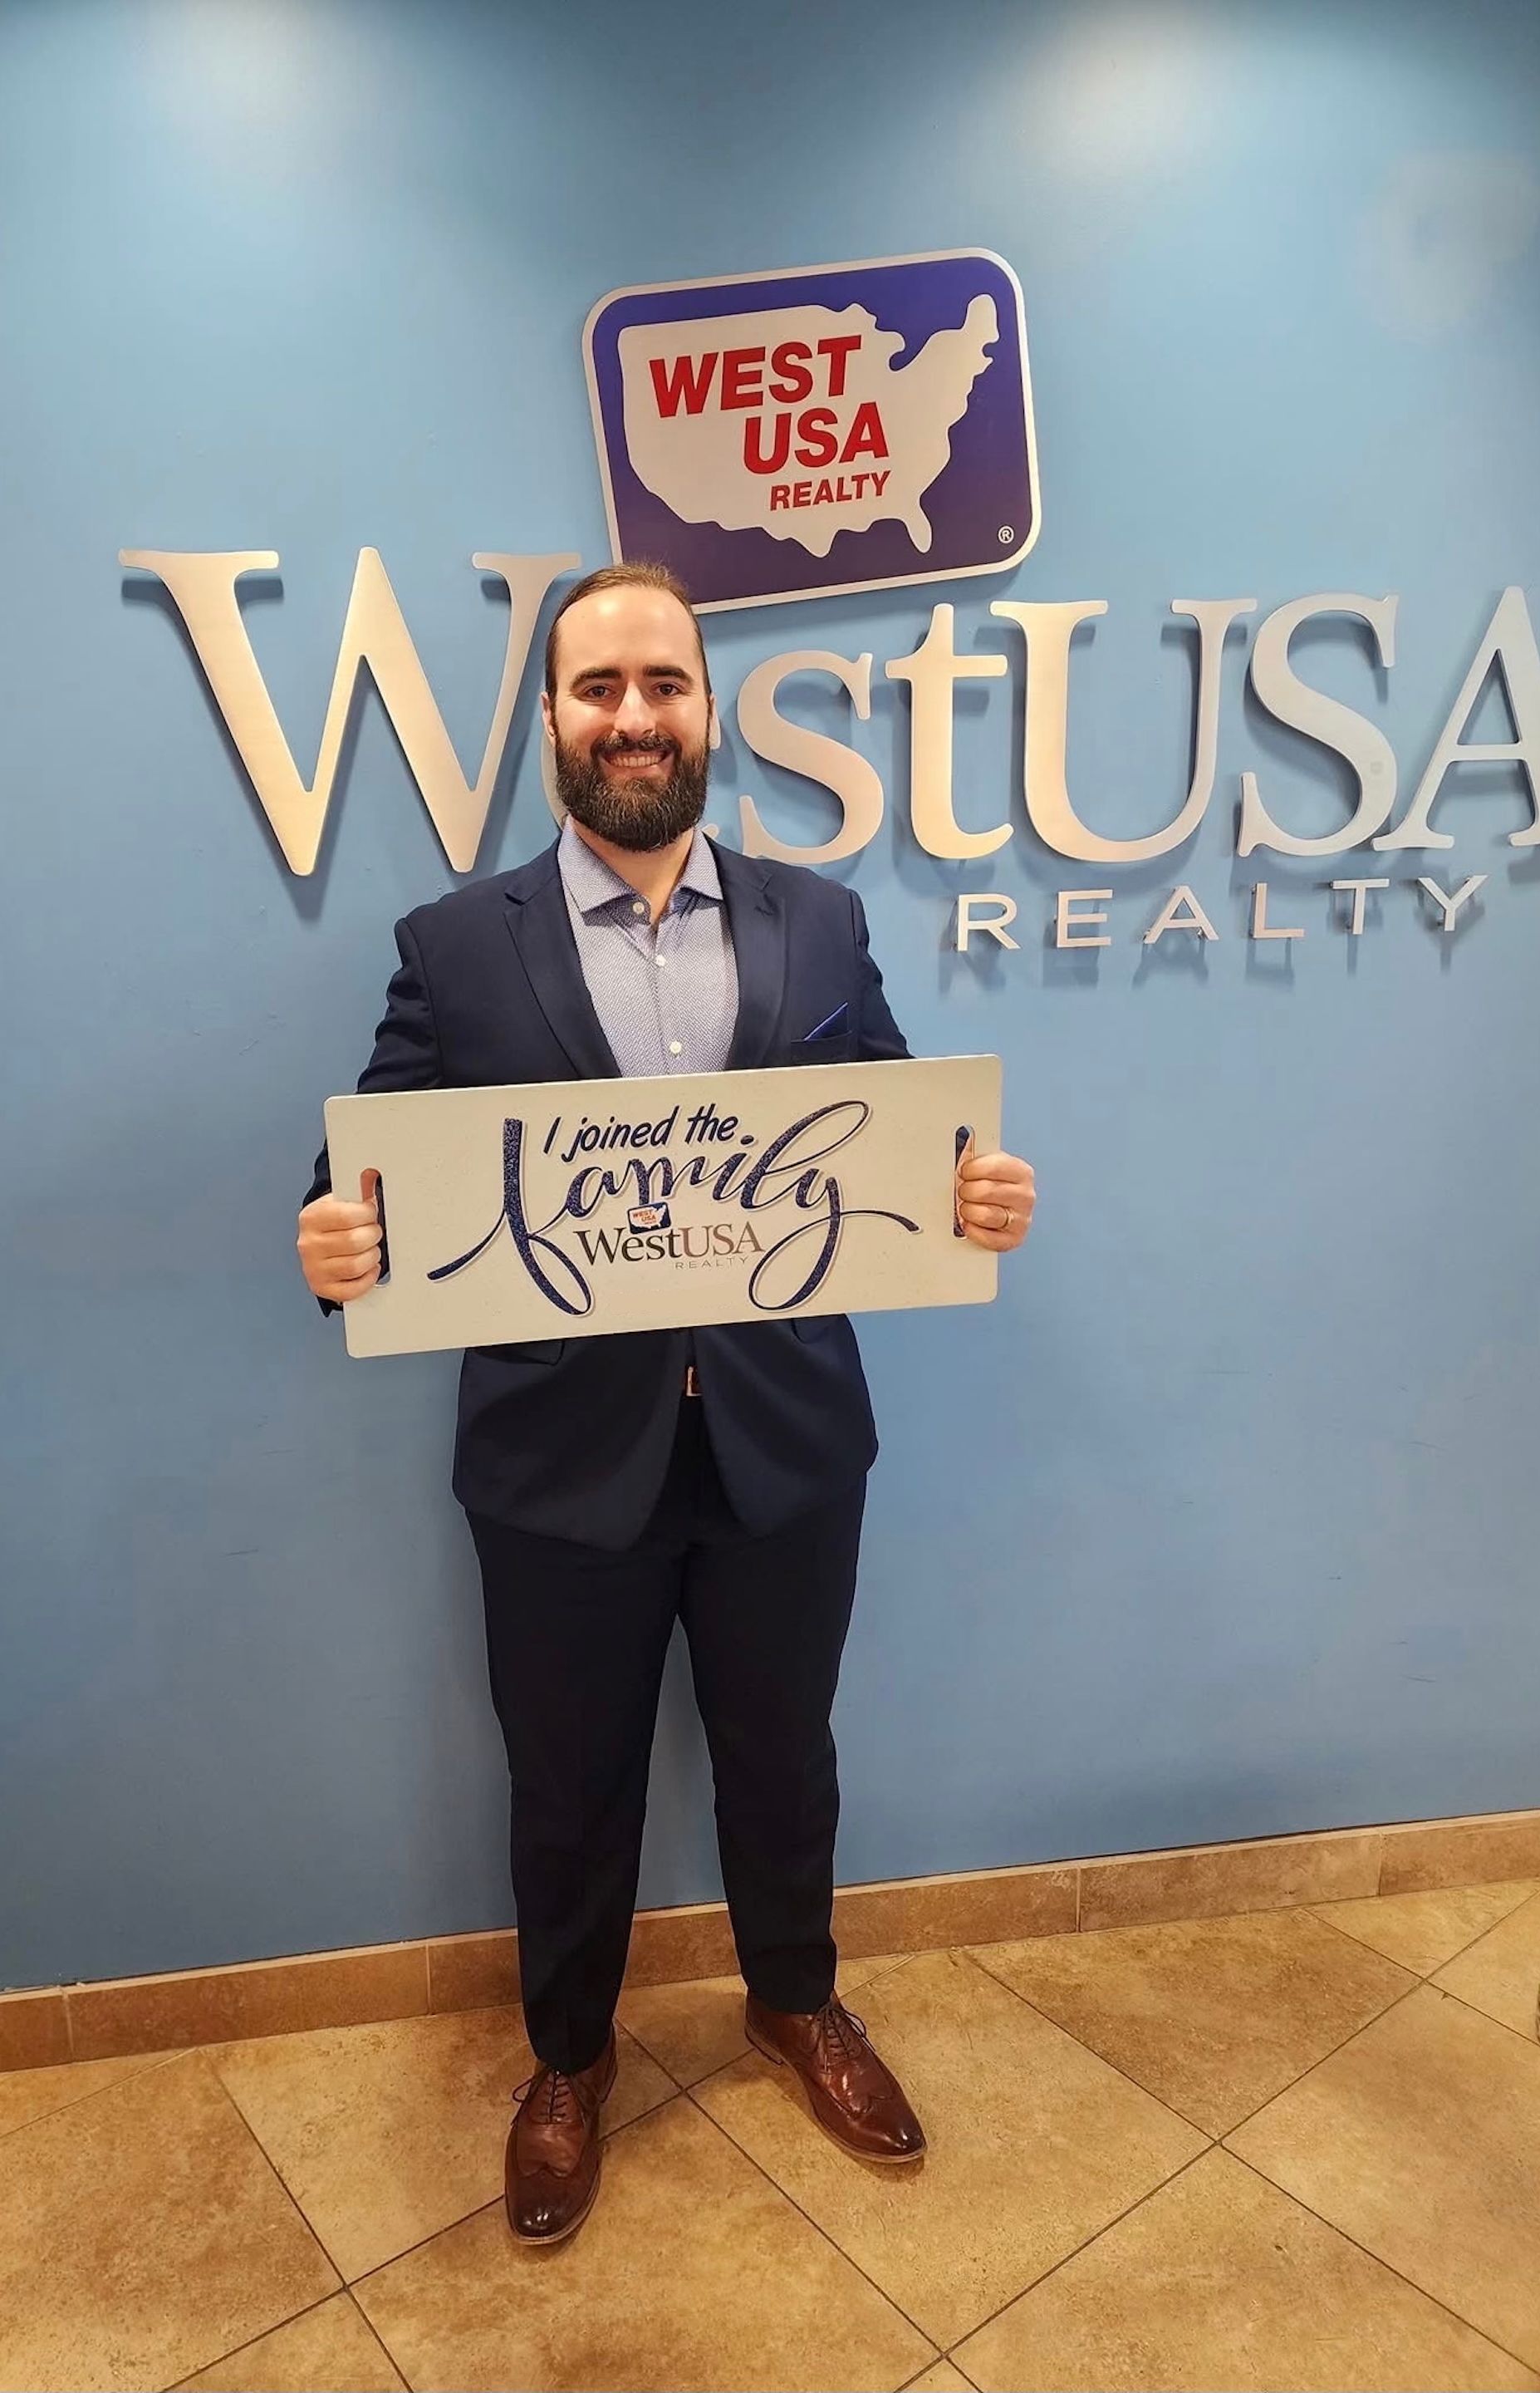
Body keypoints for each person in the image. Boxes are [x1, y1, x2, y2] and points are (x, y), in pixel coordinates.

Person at [297, 562, 1037, 2243]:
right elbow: (378, 1175)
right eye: (597, 688)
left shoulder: (822, 922)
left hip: (787, 1442)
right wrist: (336, 1236)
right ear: (550, 720)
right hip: (559, 1464)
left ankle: (796, 1996)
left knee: (787, 1751)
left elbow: (904, 1142)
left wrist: (973, 1189)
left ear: (709, 706)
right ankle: (567, 2060)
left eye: (663, 684)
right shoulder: (453, 948)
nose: (633, 717)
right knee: (567, 1780)